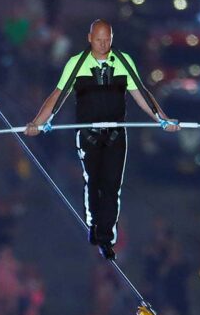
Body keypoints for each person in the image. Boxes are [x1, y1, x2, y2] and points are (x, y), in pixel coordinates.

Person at [24, 19, 178, 260]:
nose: (103, 44)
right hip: (89, 135)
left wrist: (162, 119)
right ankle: (95, 225)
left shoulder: (124, 61)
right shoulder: (77, 64)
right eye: (98, 39)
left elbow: (141, 93)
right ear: (89, 38)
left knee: (112, 186)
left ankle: (106, 236)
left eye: (107, 39)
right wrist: (39, 123)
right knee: (94, 182)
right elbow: (58, 95)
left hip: (116, 134)